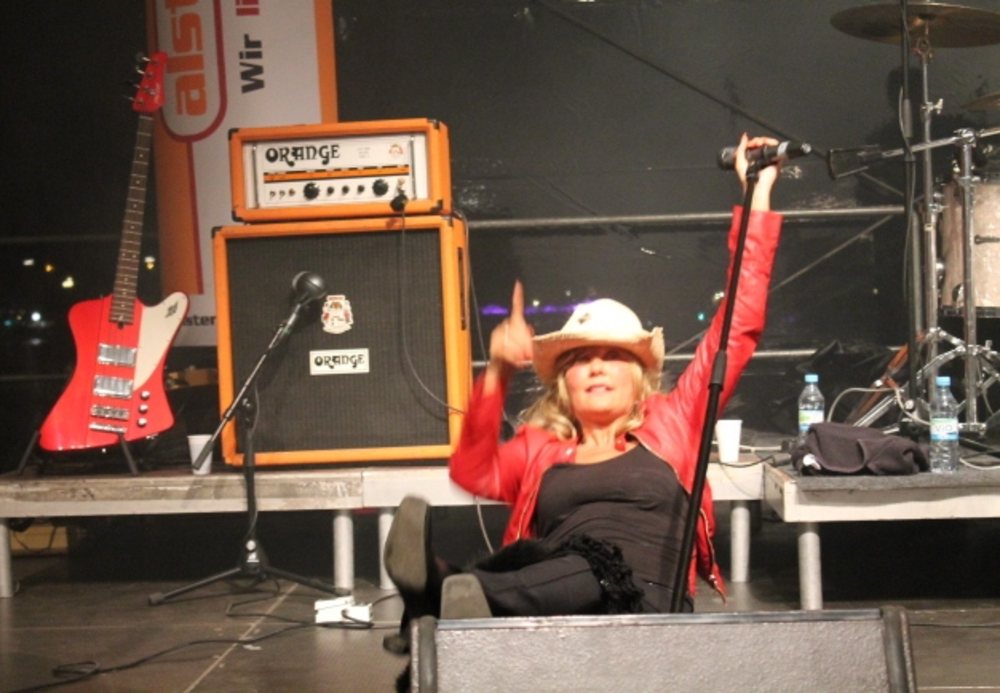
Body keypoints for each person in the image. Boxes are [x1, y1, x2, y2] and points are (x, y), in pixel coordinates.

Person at [383, 134, 784, 645]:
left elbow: (739, 323)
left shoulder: (676, 419)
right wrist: (498, 373)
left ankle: (440, 592)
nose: (596, 367)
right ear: (564, 383)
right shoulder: (541, 449)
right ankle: (453, 596)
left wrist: (756, 194)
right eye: (580, 360)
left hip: (647, 601)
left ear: (638, 377)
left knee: (594, 566)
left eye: (612, 356)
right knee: (564, 564)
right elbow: (472, 471)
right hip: (556, 601)